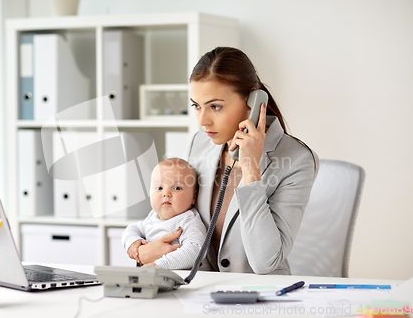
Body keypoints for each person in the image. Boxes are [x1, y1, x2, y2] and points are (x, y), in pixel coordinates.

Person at [137, 47, 319, 275]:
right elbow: (176, 217)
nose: (203, 121)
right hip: (199, 292)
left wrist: (251, 169)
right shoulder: (199, 144)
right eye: (196, 106)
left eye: (215, 106)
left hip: (257, 298)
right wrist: (144, 250)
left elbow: (265, 262)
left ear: (252, 101)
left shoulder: (296, 159)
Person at [122, 158, 206, 269]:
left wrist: (159, 265)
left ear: (193, 197)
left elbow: (195, 251)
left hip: (186, 280)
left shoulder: (188, 220)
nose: (166, 193)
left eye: (177, 188)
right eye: (159, 188)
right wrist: (133, 243)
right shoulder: (152, 217)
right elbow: (132, 228)